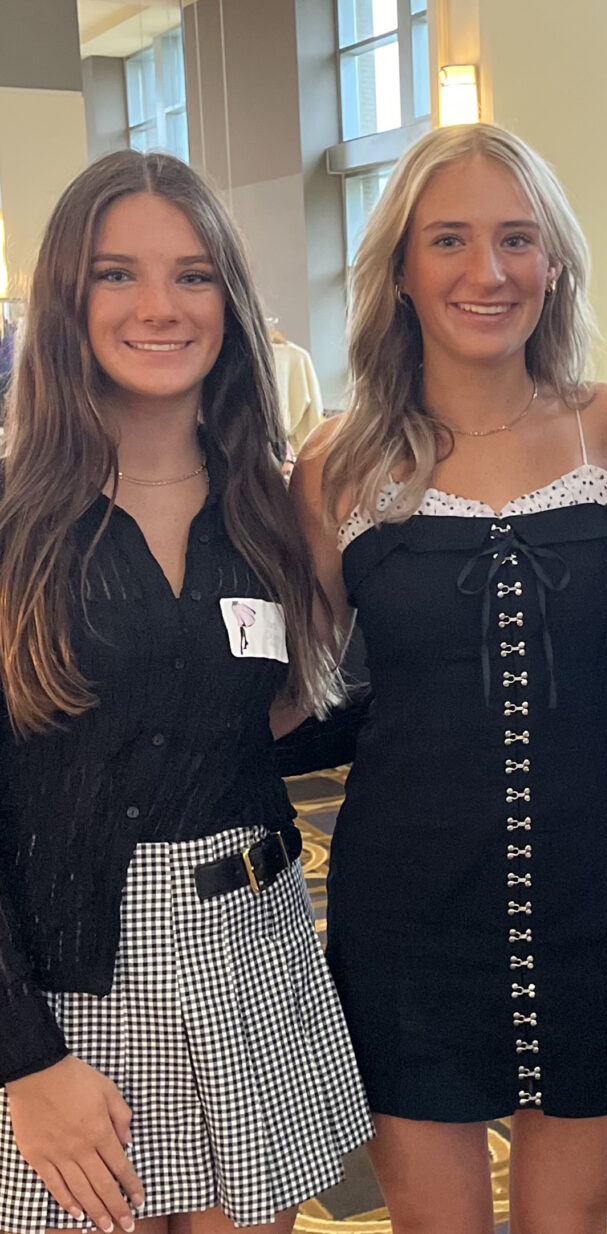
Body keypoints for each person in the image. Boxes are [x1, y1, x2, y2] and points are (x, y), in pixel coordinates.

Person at [291, 122, 607, 1234]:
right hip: (403, 896)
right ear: (401, 270)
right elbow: (301, 679)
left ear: (554, 264)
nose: (486, 271)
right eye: (448, 239)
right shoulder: (337, 462)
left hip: (592, 878)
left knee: (568, 1221)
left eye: (516, 239)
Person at [0, 150, 372, 1234]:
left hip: (251, 952)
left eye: (193, 275)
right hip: (66, 980)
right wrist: (24, 1058)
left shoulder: (276, 511)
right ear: (66, 301)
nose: (159, 306)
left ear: (230, 302)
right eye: (117, 274)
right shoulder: (15, 527)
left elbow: (280, 719)